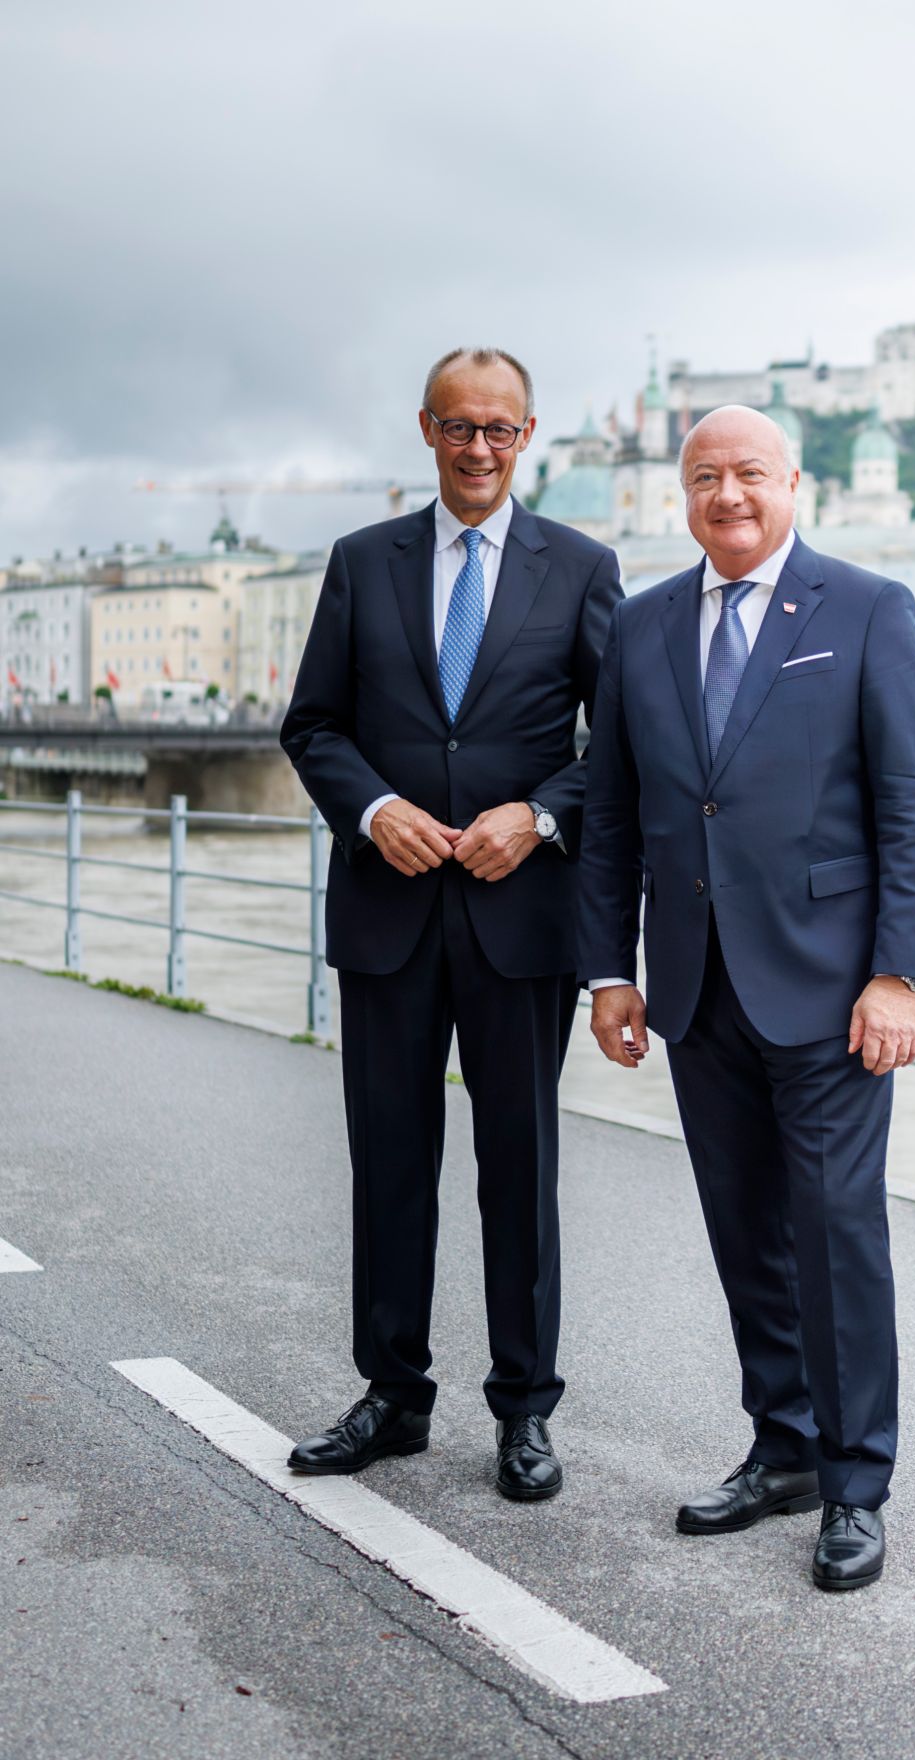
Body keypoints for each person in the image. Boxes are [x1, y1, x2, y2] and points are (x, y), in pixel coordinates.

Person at [576, 404, 915, 1590]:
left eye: (748, 473)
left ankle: (855, 1481)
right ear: (681, 494)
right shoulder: (641, 626)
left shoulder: (868, 608)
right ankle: (782, 1447)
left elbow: (913, 804)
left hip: (835, 989)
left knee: (836, 1232)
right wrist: (611, 969)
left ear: (794, 483)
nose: (727, 495)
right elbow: (613, 813)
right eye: (704, 477)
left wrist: (901, 972)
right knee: (744, 1228)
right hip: (696, 987)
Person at [279, 347, 621, 1500]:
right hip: (388, 912)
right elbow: (313, 724)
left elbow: (620, 743)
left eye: (499, 429)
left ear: (529, 436)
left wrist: (540, 814)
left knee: (519, 1167)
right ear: (426, 429)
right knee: (389, 1161)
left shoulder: (582, 568)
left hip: (522, 918)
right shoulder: (360, 561)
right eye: (460, 426)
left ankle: (525, 1409)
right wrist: (374, 811)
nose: (479, 448)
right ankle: (393, 1394)